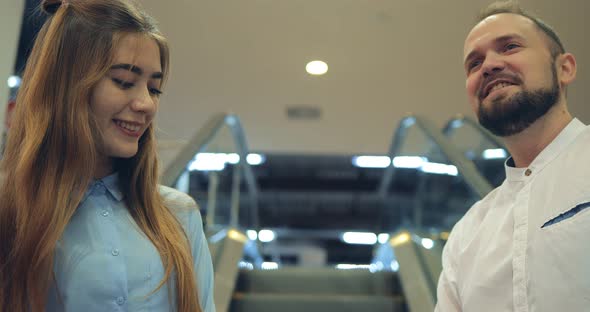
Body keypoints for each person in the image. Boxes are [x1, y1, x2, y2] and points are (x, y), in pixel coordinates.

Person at [0, 0, 215, 311]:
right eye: (124, 82)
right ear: (66, 87)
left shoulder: (179, 215)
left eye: (154, 89)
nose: (146, 104)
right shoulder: (10, 210)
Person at [436, 1, 589, 311]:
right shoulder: (467, 235)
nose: (489, 65)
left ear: (565, 68)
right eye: (474, 63)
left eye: (509, 47)